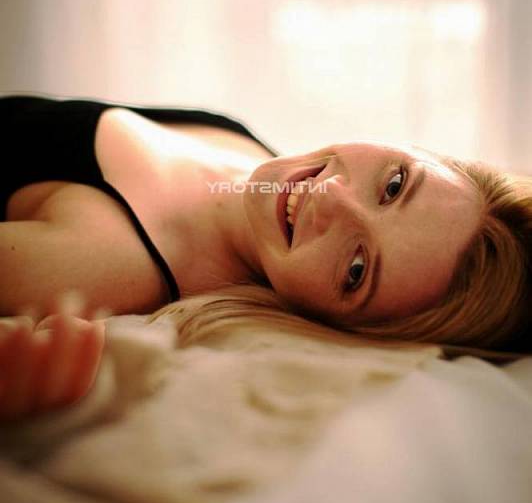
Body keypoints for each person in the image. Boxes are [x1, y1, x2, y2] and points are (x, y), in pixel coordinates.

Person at [0, 93, 531, 420]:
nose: (332, 197)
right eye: (395, 185)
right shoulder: (257, 158)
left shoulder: (106, 264)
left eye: (356, 270)